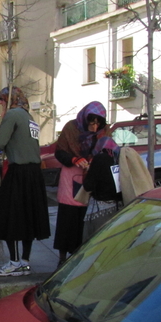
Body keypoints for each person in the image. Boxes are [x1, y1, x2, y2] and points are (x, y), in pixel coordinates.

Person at [0, 87, 51, 276]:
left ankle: (14, 262)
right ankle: (24, 260)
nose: (0, 103)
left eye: (2, 100)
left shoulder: (13, 115)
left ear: (11, 100)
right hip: (34, 174)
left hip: (19, 172)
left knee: (10, 216)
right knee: (28, 218)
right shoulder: (29, 117)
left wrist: (2, 121)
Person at [53, 101, 107, 265]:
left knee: (85, 220)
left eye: (98, 123)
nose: (95, 126)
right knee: (67, 219)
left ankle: (81, 255)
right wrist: (74, 159)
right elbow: (59, 152)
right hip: (70, 178)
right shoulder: (71, 128)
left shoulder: (104, 132)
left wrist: (93, 161)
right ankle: (63, 257)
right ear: (85, 119)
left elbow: (106, 150)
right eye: (92, 122)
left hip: (90, 178)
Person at [81, 136, 123, 241]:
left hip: (100, 211)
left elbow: (88, 186)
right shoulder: (119, 158)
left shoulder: (99, 159)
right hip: (119, 209)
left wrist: (87, 172)